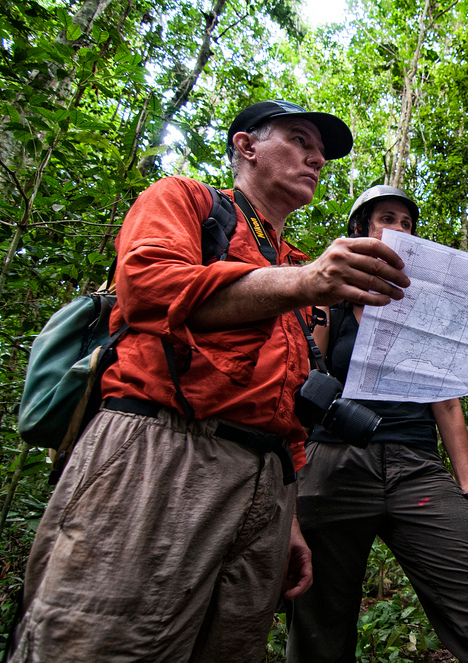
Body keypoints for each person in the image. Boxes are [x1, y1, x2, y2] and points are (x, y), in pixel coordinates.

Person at [11, 100, 412, 662]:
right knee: (102, 638)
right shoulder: (184, 201)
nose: (316, 157)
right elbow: (148, 287)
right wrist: (304, 283)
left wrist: (287, 514)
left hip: (266, 484)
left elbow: (285, 400)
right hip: (161, 452)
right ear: (246, 146)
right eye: (300, 140)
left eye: (321, 152)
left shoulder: (296, 263)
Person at [287, 185, 468, 663]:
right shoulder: (331, 302)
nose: (398, 229)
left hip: (414, 465)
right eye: (387, 219)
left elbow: (447, 404)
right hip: (332, 461)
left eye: (406, 223)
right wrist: (292, 478)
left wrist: (467, 490)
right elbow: (304, 379)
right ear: (361, 229)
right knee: (320, 622)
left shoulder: (425, 311)